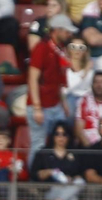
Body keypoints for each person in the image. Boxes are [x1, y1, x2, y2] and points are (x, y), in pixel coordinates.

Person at [27, 14, 75, 156]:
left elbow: (58, 80)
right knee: (38, 143)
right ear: (57, 30)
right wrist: (37, 107)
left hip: (55, 104)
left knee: (60, 141)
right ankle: (33, 177)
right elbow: (33, 78)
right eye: (66, 31)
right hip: (41, 105)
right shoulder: (41, 48)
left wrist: (64, 102)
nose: (69, 34)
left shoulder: (60, 49)